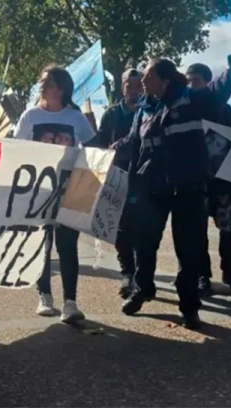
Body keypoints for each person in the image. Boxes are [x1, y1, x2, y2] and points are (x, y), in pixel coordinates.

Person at [115, 58, 223, 331]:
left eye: (148, 76)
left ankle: (189, 307)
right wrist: (105, 149)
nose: (143, 81)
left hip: (188, 188)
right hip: (152, 186)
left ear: (165, 80)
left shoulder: (189, 99)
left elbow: (216, 91)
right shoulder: (143, 108)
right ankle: (143, 289)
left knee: (188, 250)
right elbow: (133, 141)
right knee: (144, 243)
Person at [15, 65, 97, 324]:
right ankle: (44, 296)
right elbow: (16, 150)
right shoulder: (29, 117)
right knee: (42, 244)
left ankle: (70, 303)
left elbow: (94, 150)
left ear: (61, 88)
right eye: (41, 82)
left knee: (67, 246)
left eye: (47, 82)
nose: (42, 86)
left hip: (69, 192)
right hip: (38, 191)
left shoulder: (75, 117)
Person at [186, 63, 231, 297]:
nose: (191, 85)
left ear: (207, 82)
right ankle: (203, 276)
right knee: (198, 233)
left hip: (224, 184)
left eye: (196, 80)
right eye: (188, 81)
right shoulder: (186, 109)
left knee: (228, 231)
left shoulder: (225, 110)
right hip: (198, 183)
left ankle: (230, 272)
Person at [93, 69, 143, 300]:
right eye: (129, 86)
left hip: (145, 178)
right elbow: (101, 146)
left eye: (138, 85)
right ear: (122, 88)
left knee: (145, 229)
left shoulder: (151, 110)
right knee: (122, 229)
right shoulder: (112, 115)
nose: (134, 90)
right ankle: (127, 273)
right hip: (118, 178)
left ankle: (143, 274)